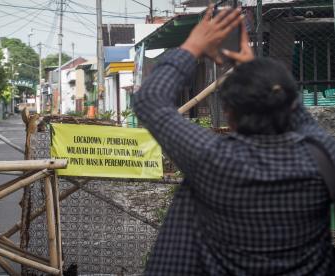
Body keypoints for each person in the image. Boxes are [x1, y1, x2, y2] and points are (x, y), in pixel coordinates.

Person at [134, 5, 335, 275]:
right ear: (289, 104)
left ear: (229, 114)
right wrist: (260, 74)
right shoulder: (322, 156)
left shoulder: (213, 159)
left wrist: (192, 46)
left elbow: (150, 100)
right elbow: (301, 119)